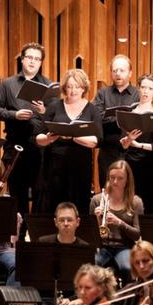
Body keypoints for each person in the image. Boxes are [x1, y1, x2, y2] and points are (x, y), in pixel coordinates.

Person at [0, 42, 51, 223]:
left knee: (41, 192)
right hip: (15, 143)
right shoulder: (8, 84)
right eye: (29, 58)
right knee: (17, 192)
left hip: (40, 146)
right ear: (22, 59)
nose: (33, 62)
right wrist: (14, 114)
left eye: (37, 59)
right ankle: (18, 237)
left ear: (41, 62)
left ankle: (36, 237)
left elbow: (56, 115)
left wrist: (43, 111)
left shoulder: (48, 85)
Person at [35, 68, 101, 214]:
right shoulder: (54, 106)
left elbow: (96, 140)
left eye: (77, 87)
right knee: (54, 205)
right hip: (54, 167)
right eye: (69, 86)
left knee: (78, 205)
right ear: (64, 88)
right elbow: (38, 138)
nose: (73, 90)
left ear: (84, 88)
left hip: (80, 167)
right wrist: (48, 138)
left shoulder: (92, 110)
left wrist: (73, 136)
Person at [120, 74, 153, 214]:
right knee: (129, 207)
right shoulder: (129, 113)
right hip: (131, 166)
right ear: (138, 89)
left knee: (151, 208)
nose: (146, 91)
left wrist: (138, 145)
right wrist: (129, 140)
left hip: (150, 168)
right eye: (143, 87)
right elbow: (123, 145)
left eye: (150, 88)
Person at [91, 160, 143, 279]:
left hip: (125, 247)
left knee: (127, 267)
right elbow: (91, 236)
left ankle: (127, 296)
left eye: (120, 178)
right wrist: (97, 220)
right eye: (112, 177)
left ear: (127, 180)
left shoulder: (136, 202)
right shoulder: (96, 200)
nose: (115, 182)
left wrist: (119, 222)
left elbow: (137, 234)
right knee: (91, 266)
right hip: (102, 246)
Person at [92, 54, 139, 186]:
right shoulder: (103, 93)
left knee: (129, 193)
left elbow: (138, 120)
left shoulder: (138, 94)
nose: (118, 74)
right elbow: (97, 117)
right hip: (107, 151)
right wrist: (122, 119)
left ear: (130, 73)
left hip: (132, 152)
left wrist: (111, 118)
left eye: (122, 70)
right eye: (114, 70)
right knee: (106, 190)